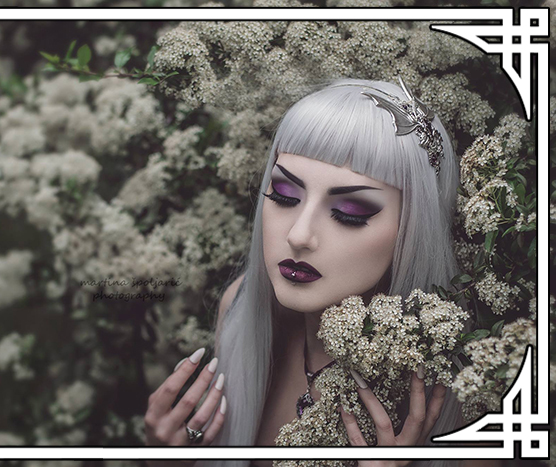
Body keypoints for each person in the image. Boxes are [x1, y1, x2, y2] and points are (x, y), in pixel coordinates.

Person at [144, 79, 486, 467]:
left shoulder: (467, 388)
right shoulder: (240, 311)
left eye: (350, 213)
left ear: (412, 230)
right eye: (284, 195)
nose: (299, 235)